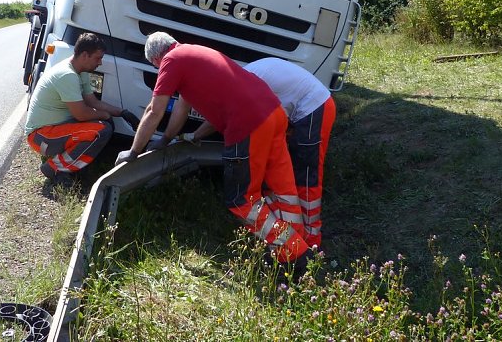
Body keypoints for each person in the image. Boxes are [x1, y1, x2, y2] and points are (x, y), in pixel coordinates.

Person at [116, 32, 312, 267]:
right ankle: (300, 248)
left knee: (241, 200)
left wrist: (135, 151)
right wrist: (166, 138)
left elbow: (153, 110)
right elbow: (182, 107)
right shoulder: (195, 53)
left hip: (248, 125)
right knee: (284, 191)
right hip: (275, 114)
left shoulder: (172, 60)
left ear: (156, 59)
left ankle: (296, 253)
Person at [243, 58, 336, 250]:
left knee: (307, 177)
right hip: (302, 109)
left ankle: (311, 241)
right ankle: (295, 235)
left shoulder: (248, 82)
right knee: (291, 175)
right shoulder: (247, 76)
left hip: (314, 106)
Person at [25, 33, 139, 186]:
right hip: (40, 136)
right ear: (85, 55)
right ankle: (54, 169)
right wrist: (105, 115)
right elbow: (81, 114)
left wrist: (122, 113)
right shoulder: (67, 75)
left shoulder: (80, 71)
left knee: (104, 123)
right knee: (100, 130)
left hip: (53, 129)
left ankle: (73, 166)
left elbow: (93, 102)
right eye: (97, 58)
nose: (100, 63)